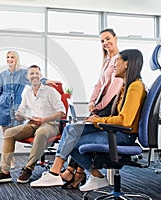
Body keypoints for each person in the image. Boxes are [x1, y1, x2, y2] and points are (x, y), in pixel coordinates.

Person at [30, 49, 146, 192]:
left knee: (72, 142)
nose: (114, 65)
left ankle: (55, 173)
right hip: (115, 130)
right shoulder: (125, 86)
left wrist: (99, 120)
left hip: (123, 135)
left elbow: (126, 121)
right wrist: (96, 118)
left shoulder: (135, 87)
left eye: (117, 61)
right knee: (70, 130)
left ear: (127, 63)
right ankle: (91, 176)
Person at [60, 28, 124, 189]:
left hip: (108, 107)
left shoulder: (120, 60)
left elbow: (113, 89)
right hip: (100, 106)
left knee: (76, 135)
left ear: (116, 38)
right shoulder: (106, 60)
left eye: (108, 39)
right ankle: (77, 172)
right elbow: (99, 85)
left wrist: (99, 107)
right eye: (102, 41)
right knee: (76, 132)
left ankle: (71, 171)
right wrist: (91, 103)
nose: (105, 43)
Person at [0, 65, 65, 184]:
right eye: (31, 74)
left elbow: (62, 112)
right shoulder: (27, 93)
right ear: (27, 77)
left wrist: (43, 120)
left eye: (37, 73)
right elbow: (21, 110)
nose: (34, 76)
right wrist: (19, 115)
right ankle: (4, 172)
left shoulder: (50, 91)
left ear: (41, 76)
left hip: (49, 124)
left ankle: (28, 169)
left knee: (41, 132)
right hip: (32, 124)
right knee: (9, 132)